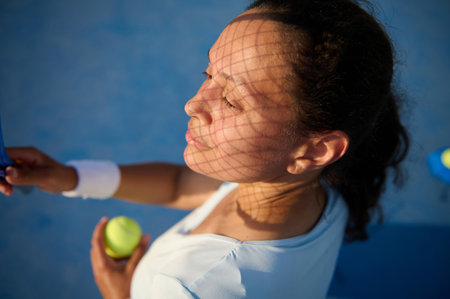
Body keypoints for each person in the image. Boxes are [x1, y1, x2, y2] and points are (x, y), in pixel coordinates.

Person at [0, 0, 409, 298]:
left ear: (316, 149)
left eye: (232, 100)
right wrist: (71, 176)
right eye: (209, 73)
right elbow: (180, 184)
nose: (193, 103)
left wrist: (119, 296)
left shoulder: (186, 286)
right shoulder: (309, 187)